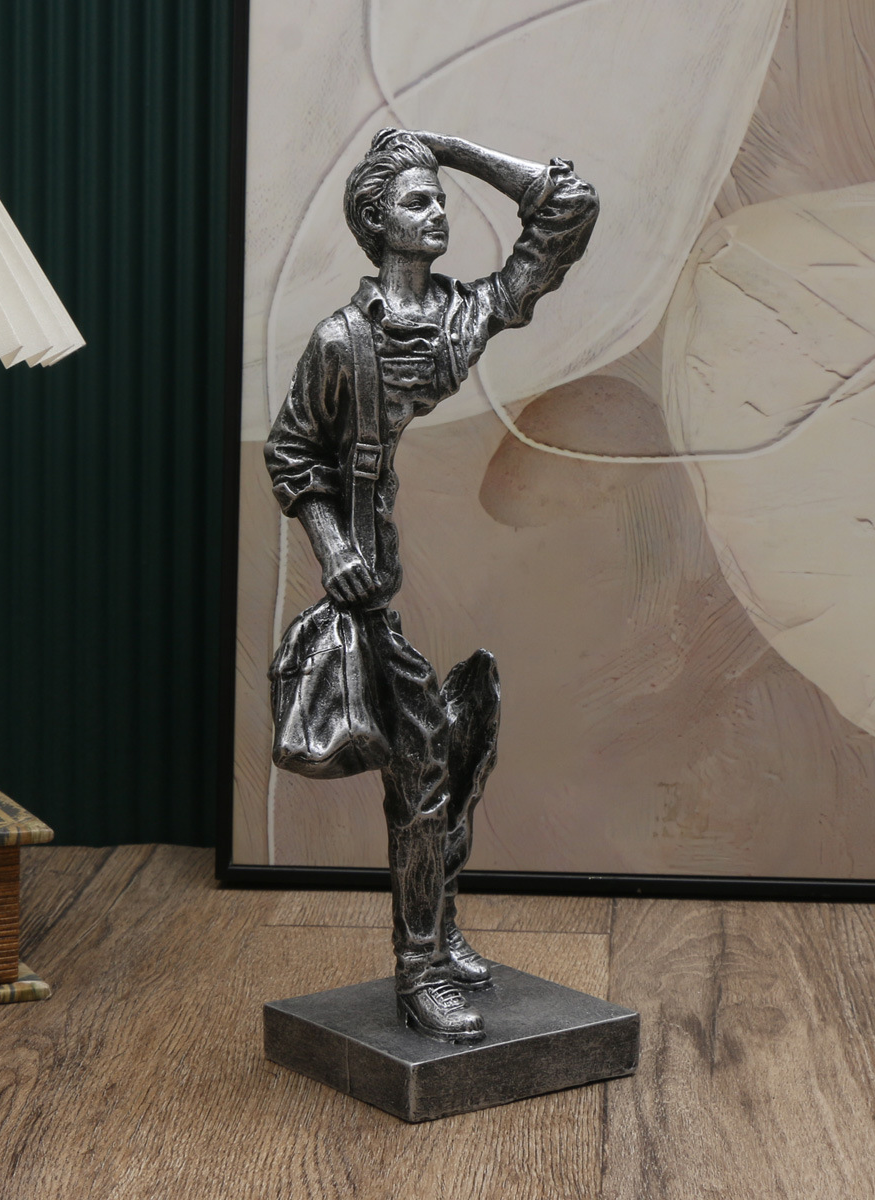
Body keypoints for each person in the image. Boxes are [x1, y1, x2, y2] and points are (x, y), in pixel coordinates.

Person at [266, 128, 598, 1041]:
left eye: (440, 198)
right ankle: (420, 970)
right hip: (369, 593)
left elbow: (568, 212)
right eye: (418, 200)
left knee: (457, 743)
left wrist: (448, 149)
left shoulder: (462, 317)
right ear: (377, 222)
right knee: (422, 763)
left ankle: (439, 932)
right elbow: (292, 454)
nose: (440, 211)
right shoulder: (341, 342)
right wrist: (333, 548)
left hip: (398, 576)